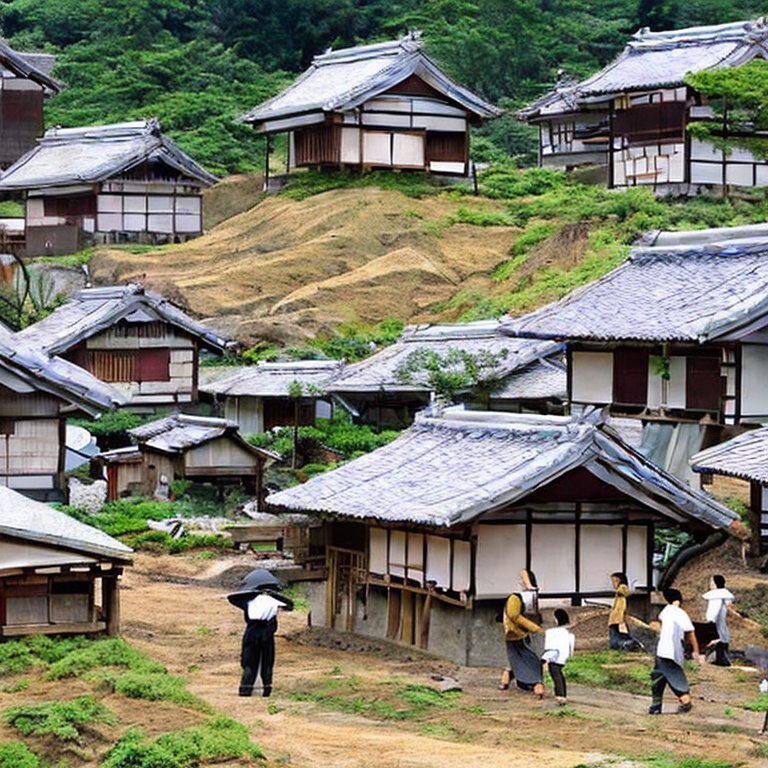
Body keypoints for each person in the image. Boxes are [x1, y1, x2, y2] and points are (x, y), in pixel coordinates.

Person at [649, 587, 703, 715]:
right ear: (680, 599)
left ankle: (681, 702)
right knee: (663, 676)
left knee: (661, 677)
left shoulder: (665, 611)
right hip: (671, 651)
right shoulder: (680, 613)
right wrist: (696, 651)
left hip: (663, 650)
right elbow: (690, 632)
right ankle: (661, 705)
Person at [238, 588, 294, 697]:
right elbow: (290, 605)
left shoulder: (249, 601)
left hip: (252, 633)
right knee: (267, 662)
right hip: (266, 633)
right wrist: (275, 595)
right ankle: (266, 688)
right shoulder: (273, 601)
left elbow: (239, 605)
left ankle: (246, 688)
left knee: (249, 662)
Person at [499, 570, 541, 691]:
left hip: (518, 631)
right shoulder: (516, 597)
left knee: (516, 656)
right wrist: (534, 628)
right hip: (518, 631)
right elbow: (514, 615)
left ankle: (505, 680)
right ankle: (534, 683)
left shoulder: (520, 595)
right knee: (527, 656)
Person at [542, 608, 575, 705]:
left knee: (556, 674)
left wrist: (545, 658)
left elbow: (550, 647)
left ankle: (560, 695)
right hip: (562, 657)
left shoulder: (552, 632)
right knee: (559, 674)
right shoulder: (568, 633)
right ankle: (562, 694)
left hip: (555, 656)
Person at [702, 574, 735, 667]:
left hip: (716, 621)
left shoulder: (716, 595)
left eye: (712, 582)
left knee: (718, 638)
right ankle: (722, 659)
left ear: (716, 583)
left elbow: (714, 609)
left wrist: (710, 619)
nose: (710, 584)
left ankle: (721, 659)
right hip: (722, 621)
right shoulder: (724, 594)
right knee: (723, 636)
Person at [608, 572, 641, 651]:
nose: (613, 584)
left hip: (617, 618)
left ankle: (629, 644)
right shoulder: (620, 593)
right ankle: (627, 645)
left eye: (614, 581)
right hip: (615, 618)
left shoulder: (622, 589)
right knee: (616, 636)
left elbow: (623, 591)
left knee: (616, 636)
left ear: (618, 581)